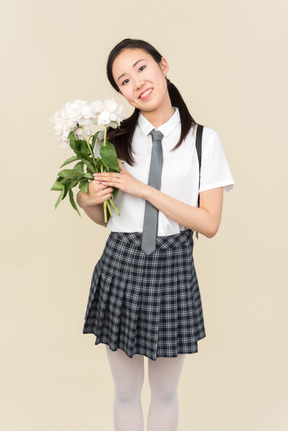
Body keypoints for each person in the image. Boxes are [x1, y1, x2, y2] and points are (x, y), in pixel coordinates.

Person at [77, 38, 234, 431]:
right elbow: (104, 216)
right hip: (120, 263)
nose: (137, 83)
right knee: (126, 392)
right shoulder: (110, 140)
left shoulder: (203, 140)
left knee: (165, 393)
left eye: (141, 68)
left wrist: (144, 189)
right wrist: (88, 198)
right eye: (124, 81)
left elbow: (209, 223)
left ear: (163, 65)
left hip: (174, 267)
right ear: (121, 93)